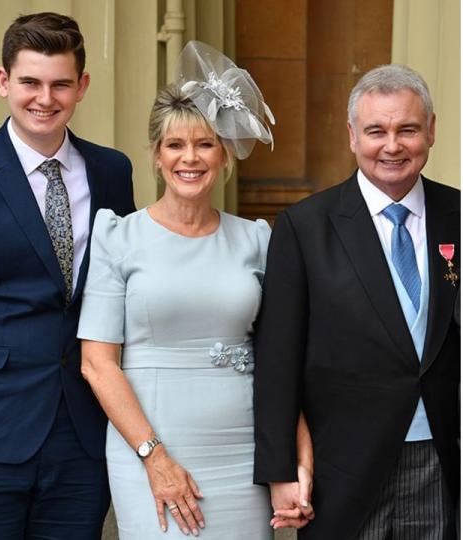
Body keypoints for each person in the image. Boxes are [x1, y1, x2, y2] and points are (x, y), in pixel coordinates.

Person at [77, 41, 312, 539]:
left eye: (205, 144)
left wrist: (296, 462)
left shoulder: (258, 238)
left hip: (245, 454)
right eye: (175, 145)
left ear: (224, 154)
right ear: (156, 156)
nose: (190, 158)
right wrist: (154, 457)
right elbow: (97, 363)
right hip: (150, 452)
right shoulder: (117, 237)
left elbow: (282, 360)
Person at [0, 12, 136, 539]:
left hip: (82, 439)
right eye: (30, 82)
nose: (45, 98)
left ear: (81, 86)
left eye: (61, 83)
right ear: (3, 82)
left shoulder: (113, 172)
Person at [253, 64, 460, 539]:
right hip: (343, 470)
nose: (392, 145)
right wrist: (280, 469)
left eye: (407, 129)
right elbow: (277, 359)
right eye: (376, 131)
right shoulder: (305, 227)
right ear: (352, 136)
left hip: (442, 462)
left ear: (430, 130)